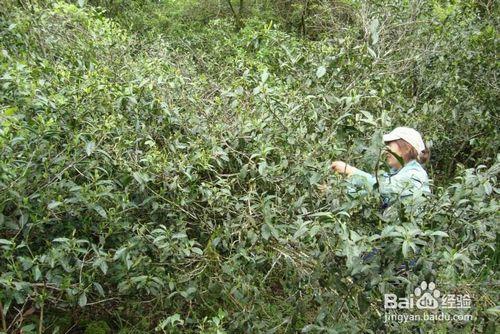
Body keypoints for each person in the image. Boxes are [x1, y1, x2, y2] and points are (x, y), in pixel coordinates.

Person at [331, 127, 431, 208]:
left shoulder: (415, 174)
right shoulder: (392, 173)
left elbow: (382, 187)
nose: (386, 149)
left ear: (407, 148)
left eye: (390, 145)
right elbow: (370, 194)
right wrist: (335, 192)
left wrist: (351, 171)